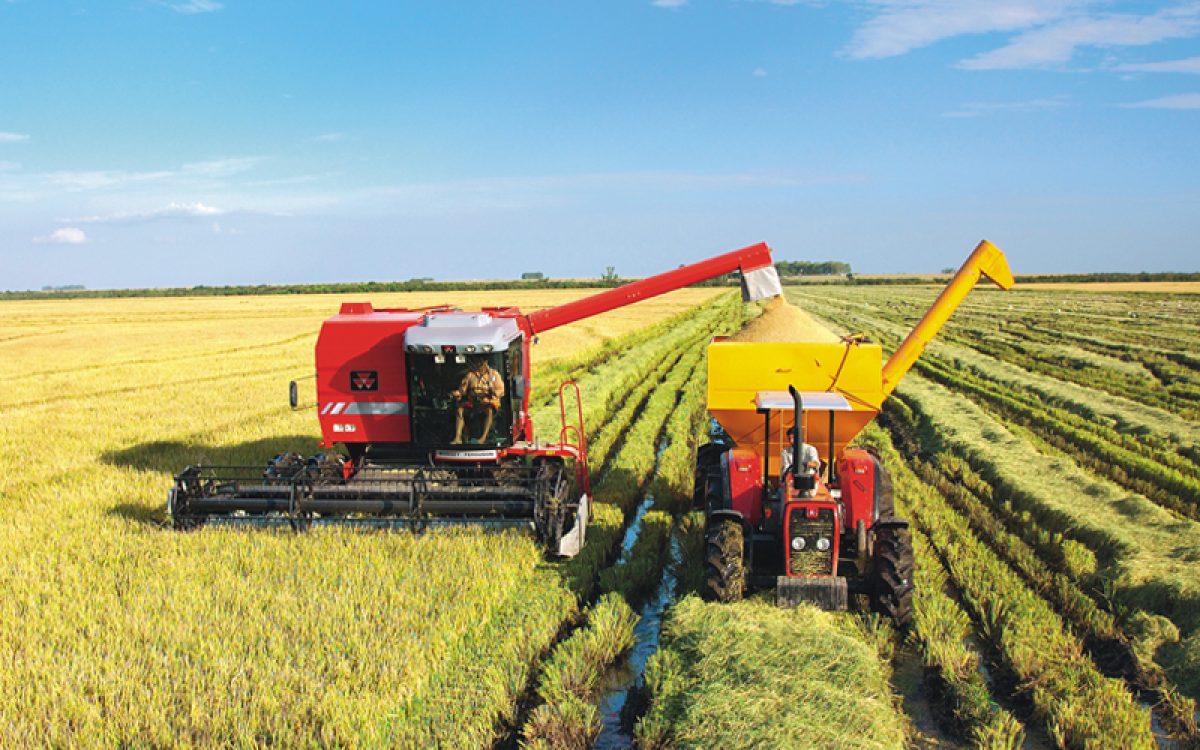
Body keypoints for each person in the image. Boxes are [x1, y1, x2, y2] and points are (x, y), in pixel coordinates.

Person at [451, 356, 505, 443]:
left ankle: (483, 438)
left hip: (487, 402)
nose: (478, 363)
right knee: (459, 410)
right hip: (473, 402)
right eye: (477, 361)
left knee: (489, 410)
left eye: (481, 361)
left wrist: (493, 391)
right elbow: (462, 391)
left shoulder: (494, 374)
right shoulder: (470, 375)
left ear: (485, 361)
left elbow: (501, 391)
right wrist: (457, 393)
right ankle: (458, 438)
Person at [779, 427, 820, 498]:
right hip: (793, 481)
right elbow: (786, 468)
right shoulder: (785, 452)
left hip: (809, 481)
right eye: (789, 439)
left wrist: (807, 464)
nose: (791, 441)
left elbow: (816, 463)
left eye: (793, 438)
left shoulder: (810, 449)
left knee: (811, 492)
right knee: (783, 493)